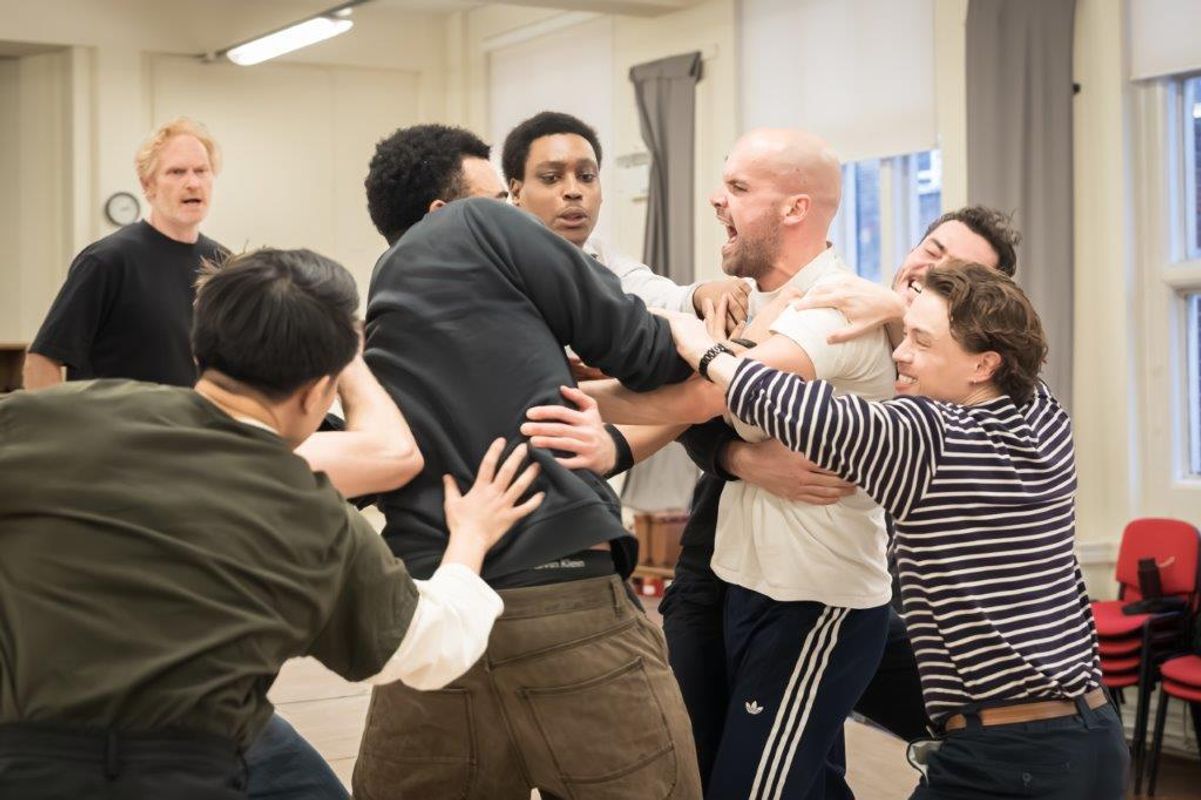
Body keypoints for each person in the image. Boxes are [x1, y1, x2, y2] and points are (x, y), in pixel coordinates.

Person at [0, 247, 543, 799]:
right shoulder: (307, 512)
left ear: (198, 349)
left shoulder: (47, 418)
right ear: (317, 392)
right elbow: (431, 646)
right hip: (176, 769)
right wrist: (472, 533)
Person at [663, 261, 1126, 800]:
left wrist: (700, 345)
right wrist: (900, 311)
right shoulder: (1043, 414)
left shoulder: (929, 439)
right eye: (904, 334)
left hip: (1010, 760)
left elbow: (791, 404)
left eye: (921, 342)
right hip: (1093, 734)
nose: (900, 353)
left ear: (984, 364)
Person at [353, 123, 702, 799]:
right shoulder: (480, 226)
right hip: (559, 593)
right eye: (502, 198)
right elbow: (645, 352)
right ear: (448, 212)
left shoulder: (390, 309)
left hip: (433, 608)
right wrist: (689, 336)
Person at [586, 128, 899, 800]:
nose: (715, 200)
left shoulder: (830, 309)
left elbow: (706, 394)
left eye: (736, 187)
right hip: (745, 582)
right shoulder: (754, 301)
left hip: (811, 601)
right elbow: (701, 408)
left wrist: (581, 402)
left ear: (793, 210)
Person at [25, 117, 227, 389]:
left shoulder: (225, 265)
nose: (192, 183)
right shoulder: (107, 261)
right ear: (147, 185)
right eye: (177, 172)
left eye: (201, 171)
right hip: (117, 430)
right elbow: (42, 361)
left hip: (195, 428)